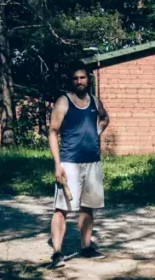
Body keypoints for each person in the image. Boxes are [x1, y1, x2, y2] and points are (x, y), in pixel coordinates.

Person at [47, 61, 110, 267]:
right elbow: (53, 132)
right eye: (75, 78)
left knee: (88, 207)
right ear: (71, 81)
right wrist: (58, 165)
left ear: (88, 79)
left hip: (92, 162)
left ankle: (86, 247)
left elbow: (104, 118)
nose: (79, 81)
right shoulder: (63, 102)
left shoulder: (94, 100)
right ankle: (57, 253)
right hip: (69, 162)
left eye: (82, 77)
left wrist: (95, 132)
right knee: (61, 209)